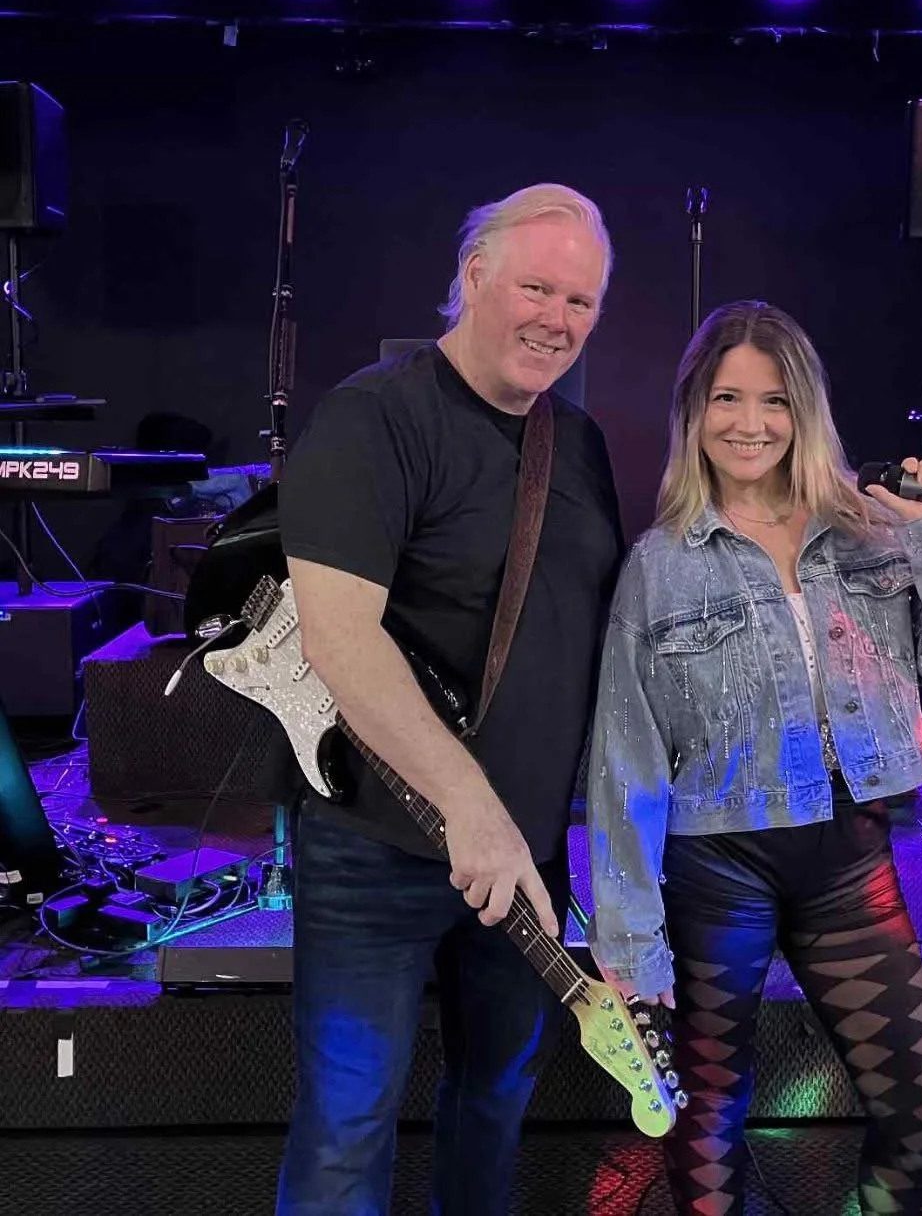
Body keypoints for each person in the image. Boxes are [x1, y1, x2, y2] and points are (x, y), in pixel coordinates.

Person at [586, 300, 922, 1216]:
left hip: (847, 864)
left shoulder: (875, 529)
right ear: (693, 411)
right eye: (727, 398)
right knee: (706, 1126)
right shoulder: (658, 564)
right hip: (716, 868)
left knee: (921, 1122)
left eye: (774, 400)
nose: (750, 424)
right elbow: (625, 766)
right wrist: (629, 942)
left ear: (805, 410)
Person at [275, 184, 625, 1215]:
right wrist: (470, 808)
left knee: (494, 1106)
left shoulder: (579, 443)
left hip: (524, 860)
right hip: (375, 848)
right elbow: (340, 638)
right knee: (346, 1127)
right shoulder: (373, 417)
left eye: (581, 301)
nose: (557, 319)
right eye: (536, 288)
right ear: (474, 276)